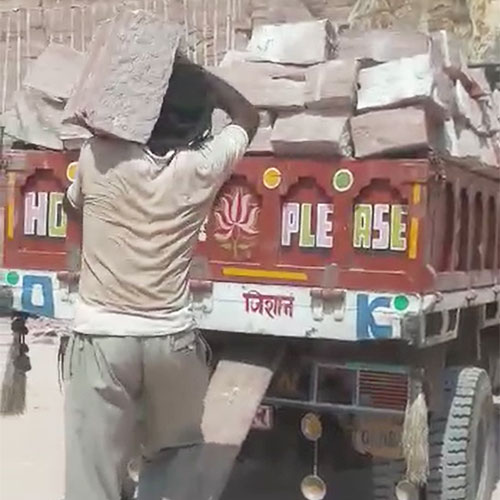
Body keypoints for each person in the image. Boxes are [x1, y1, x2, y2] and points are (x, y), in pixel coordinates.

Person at [62, 58, 259, 500]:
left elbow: (71, 208)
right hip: (171, 340)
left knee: (93, 469)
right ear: (199, 119)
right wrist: (196, 74)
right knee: (173, 457)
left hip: (102, 339)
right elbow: (248, 116)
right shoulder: (202, 167)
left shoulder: (98, 156)